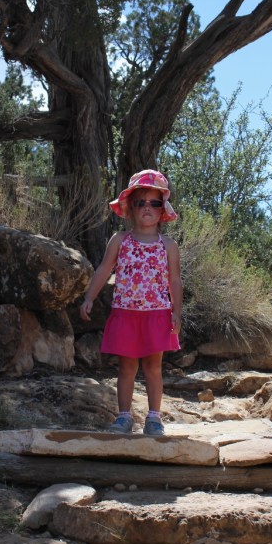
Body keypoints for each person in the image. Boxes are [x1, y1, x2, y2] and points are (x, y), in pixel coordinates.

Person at [80, 169, 182, 436]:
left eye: (154, 202)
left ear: (163, 209)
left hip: (157, 314)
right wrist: (89, 297)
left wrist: (177, 312)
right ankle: (124, 416)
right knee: (126, 367)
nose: (147, 207)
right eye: (140, 202)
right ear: (130, 208)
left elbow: (174, 280)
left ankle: (154, 418)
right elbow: (104, 269)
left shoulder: (168, 245)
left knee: (153, 367)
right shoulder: (120, 240)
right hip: (125, 313)